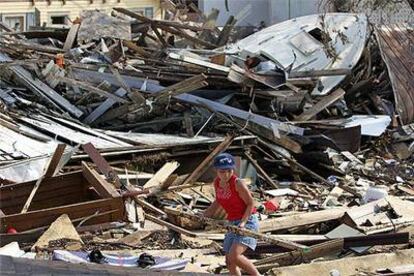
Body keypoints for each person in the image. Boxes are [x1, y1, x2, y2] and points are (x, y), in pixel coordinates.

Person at [203, 153, 260, 276]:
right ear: (216, 171)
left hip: (247, 221)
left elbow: (251, 204)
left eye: (229, 171)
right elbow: (218, 200)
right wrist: (205, 214)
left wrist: (243, 223)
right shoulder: (217, 183)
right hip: (232, 222)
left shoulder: (238, 183)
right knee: (229, 261)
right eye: (222, 171)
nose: (226, 174)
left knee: (235, 256)